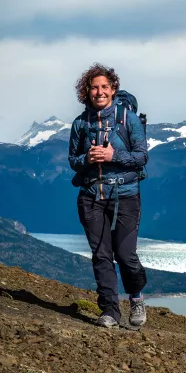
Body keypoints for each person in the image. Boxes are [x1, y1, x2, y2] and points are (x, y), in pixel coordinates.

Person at [68, 63, 148, 328]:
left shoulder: (128, 119)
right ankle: (110, 311)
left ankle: (136, 297)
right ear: (86, 91)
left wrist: (114, 155)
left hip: (125, 195)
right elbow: (73, 160)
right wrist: (87, 158)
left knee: (125, 255)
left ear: (113, 89)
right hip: (91, 196)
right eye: (94, 87)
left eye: (104, 86)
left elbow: (142, 157)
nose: (99, 92)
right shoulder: (80, 123)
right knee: (101, 255)